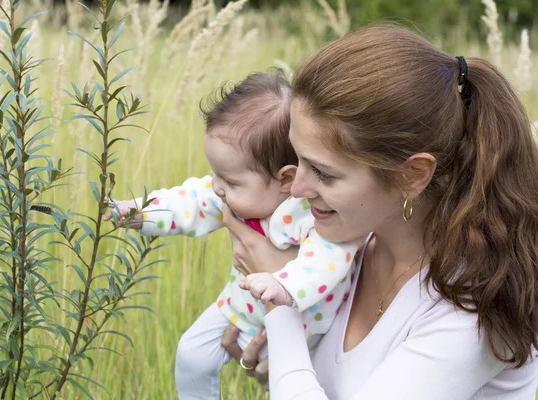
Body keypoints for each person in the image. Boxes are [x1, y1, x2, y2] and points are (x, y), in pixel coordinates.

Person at [220, 24, 538, 399]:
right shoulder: (345, 245)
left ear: (412, 175)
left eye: (323, 172)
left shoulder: (474, 312)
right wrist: (285, 368)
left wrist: (280, 304)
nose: (298, 189)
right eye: (297, 159)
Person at [104, 70, 362, 399]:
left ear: (286, 179)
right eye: (215, 173)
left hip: (304, 328)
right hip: (237, 306)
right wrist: (136, 213)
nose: (217, 187)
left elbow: (328, 259)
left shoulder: (312, 213)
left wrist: (282, 282)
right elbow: (188, 201)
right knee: (191, 353)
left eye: (231, 181)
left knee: (287, 384)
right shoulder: (235, 194)